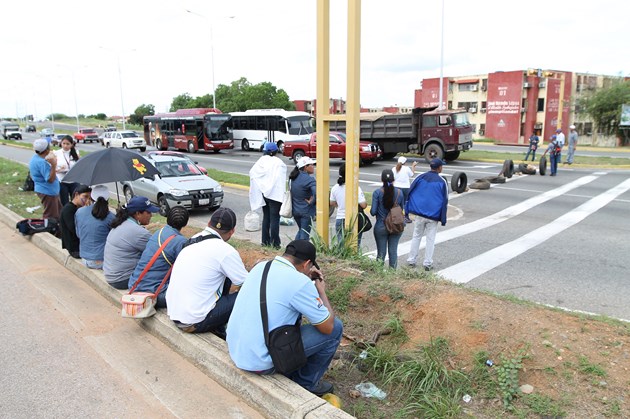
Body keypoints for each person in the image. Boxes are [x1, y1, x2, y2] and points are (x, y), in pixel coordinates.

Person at [226, 240, 343, 397]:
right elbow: (327, 327)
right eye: (310, 267)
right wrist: (321, 291)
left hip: (237, 350)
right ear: (307, 263)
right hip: (260, 362)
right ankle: (306, 383)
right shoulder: (300, 282)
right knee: (336, 327)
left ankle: (293, 370)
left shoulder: (261, 267)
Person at [166, 208, 248, 338]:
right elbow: (247, 284)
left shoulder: (193, 240)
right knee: (247, 295)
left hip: (175, 314)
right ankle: (236, 335)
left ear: (209, 223)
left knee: (223, 276)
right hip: (193, 322)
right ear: (232, 231)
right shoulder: (226, 251)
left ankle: (218, 325)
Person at [129, 206, 190, 308]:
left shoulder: (159, 232)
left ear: (167, 218)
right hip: (154, 293)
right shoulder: (180, 241)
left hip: (134, 285)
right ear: (185, 223)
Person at [103, 196, 159, 289]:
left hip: (111, 275)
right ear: (137, 214)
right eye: (148, 212)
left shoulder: (122, 223)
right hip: (123, 280)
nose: (151, 215)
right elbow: (159, 252)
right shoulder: (138, 232)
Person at [405, 159, 449, 271]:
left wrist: (409, 210)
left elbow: (410, 192)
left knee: (416, 236)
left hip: (419, 213)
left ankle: (411, 260)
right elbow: (445, 200)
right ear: (439, 168)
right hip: (433, 216)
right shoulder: (442, 181)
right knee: (430, 239)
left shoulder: (420, 177)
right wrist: (443, 218)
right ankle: (427, 263)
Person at [249, 142, 287, 249]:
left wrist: (262, 187)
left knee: (266, 217)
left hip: (263, 194)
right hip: (275, 195)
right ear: (275, 151)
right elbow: (280, 181)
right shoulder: (279, 163)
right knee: (275, 219)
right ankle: (275, 243)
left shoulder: (260, 161)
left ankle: (265, 242)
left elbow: (253, 173)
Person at [74, 185, 115, 269]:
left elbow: (79, 234)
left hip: (84, 258)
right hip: (101, 260)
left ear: (91, 197)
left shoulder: (79, 212)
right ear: (108, 199)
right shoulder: (111, 217)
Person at [371, 169, 405, 268]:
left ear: (382, 180)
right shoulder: (400, 192)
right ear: (393, 179)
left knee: (381, 253)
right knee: (393, 251)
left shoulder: (377, 193)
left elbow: (373, 212)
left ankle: (379, 275)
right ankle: (392, 274)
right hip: (396, 225)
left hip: (381, 226)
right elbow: (401, 209)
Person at [329, 163, 368, 248]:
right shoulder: (355, 188)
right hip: (353, 219)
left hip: (340, 218)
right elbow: (364, 205)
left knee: (341, 246)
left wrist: (339, 205)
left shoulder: (335, 188)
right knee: (355, 246)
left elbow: (331, 202)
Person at [29, 138, 62, 222]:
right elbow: (50, 179)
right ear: (47, 149)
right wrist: (53, 165)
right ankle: (49, 232)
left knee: (58, 213)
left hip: (47, 190)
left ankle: (58, 231)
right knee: (51, 216)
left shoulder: (35, 158)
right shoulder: (41, 162)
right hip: (47, 191)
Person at [59, 185, 92, 259]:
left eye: (89, 198)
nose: (87, 200)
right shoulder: (69, 209)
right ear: (76, 195)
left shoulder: (79, 208)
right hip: (75, 248)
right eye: (85, 196)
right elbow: (75, 230)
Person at [289, 156, 317, 240]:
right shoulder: (310, 180)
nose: (313, 166)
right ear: (305, 167)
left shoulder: (293, 177)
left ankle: (294, 249)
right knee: (304, 234)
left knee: (301, 231)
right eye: (311, 165)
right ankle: (301, 251)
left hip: (295, 210)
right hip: (306, 211)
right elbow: (316, 193)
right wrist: (312, 202)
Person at [54, 135, 80, 206]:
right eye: (64, 143)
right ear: (61, 143)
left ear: (71, 144)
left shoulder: (75, 153)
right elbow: (53, 168)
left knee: (76, 201)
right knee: (64, 202)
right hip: (62, 180)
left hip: (73, 180)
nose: (65, 146)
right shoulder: (56, 153)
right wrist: (60, 169)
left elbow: (78, 166)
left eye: (68, 144)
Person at [392, 156, 417, 223]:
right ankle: (406, 217)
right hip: (406, 187)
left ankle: (397, 217)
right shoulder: (406, 168)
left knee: (396, 202)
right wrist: (413, 166)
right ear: (405, 162)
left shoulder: (394, 168)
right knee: (406, 203)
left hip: (396, 187)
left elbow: (392, 179)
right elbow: (412, 174)